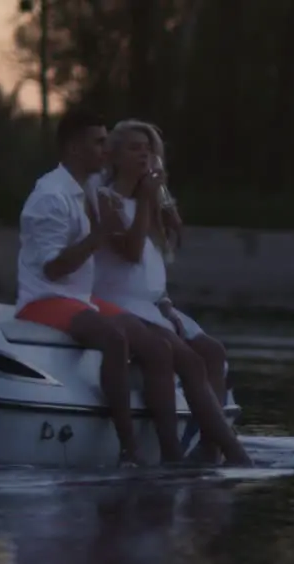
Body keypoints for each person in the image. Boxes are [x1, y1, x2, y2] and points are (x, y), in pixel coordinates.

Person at [15, 108, 188, 467]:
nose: (106, 151)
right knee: (114, 338)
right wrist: (100, 234)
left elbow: (129, 197)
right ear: (75, 149)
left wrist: (162, 205)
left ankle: (172, 453)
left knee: (156, 346)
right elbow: (53, 268)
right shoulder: (50, 196)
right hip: (45, 298)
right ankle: (128, 449)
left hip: (78, 298)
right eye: (99, 143)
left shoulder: (85, 191)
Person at [88, 119, 251, 466]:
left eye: (148, 149)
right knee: (186, 360)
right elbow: (129, 253)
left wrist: (159, 200)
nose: (143, 154)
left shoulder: (150, 204)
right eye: (134, 148)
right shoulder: (105, 199)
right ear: (114, 156)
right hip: (115, 300)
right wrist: (146, 200)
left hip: (152, 303)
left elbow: (161, 255)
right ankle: (219, 453)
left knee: (213, 352)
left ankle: (211, 448)